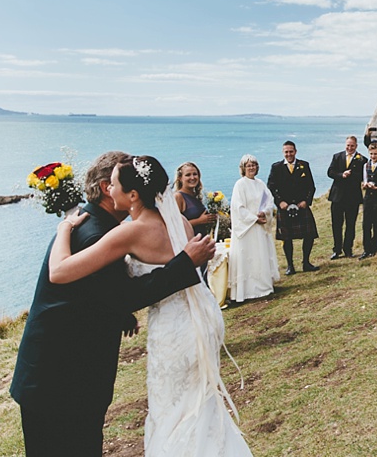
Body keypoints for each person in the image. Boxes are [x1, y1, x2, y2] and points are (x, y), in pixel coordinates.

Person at [11, 151, 215, 457]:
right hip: (59, 381)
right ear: (110, 188)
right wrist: (185, 264)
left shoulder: (98, 224)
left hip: (68, 377)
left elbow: (100, 294)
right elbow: (123, 293)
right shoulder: (96, 232)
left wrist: (122, 314)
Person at [48, 155, 252, 456]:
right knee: (200, 405)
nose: (109, 190)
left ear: (132, 195)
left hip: (174, 329)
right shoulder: (179, 222)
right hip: (203, 317)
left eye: (114, 185)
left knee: (172, 411)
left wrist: (64, 228)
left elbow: (59, 271)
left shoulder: (130, 232)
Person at [229, 154, 280, 301]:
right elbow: (238, 207)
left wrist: (264, 213)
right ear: (243, 168)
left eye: (253, 165)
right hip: (248, 228)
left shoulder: (260, 184)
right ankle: (248, 291)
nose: (251, 167)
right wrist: (254, 218)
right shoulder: (240, 185)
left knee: (261, 256)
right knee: (249, 257)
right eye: (248, 165)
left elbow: (269, 201)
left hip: (260, 226)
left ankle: (263, 286)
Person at [267, 141, 320, 275]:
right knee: (287, 238)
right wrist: (279, 202)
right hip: (284, 207)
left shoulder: (304, 165)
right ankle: (290, 266)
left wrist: (306, 201)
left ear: (295, 151)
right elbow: (271, 187)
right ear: (283, 152)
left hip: (301, 206)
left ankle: (306, 263)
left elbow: (311, 187)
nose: (289, 154)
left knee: (309, 235)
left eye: (291, 151)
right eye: (286, 152)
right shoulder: (276, 167)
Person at [327, 136, 366, 259]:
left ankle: (348, 249)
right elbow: (330, 172)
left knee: (351, 224)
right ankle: (336, 249)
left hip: (352, 197)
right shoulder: (337, 157)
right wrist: (341, 175)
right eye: (348, 145)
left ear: (356, 146)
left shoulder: (362, 160)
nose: (349, 148)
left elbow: (363, 176)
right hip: (337, 196)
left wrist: (352, 175)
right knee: (336, 224)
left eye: (352, 146)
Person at [173, 162, 215, 237]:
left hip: (202, 242)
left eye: (195, 174)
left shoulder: (197, 196)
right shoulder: (178, 197)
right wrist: (199, 221)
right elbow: (174, 226)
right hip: (189, 243)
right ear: (180, 178)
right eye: (188, 175)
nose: (192, 178)